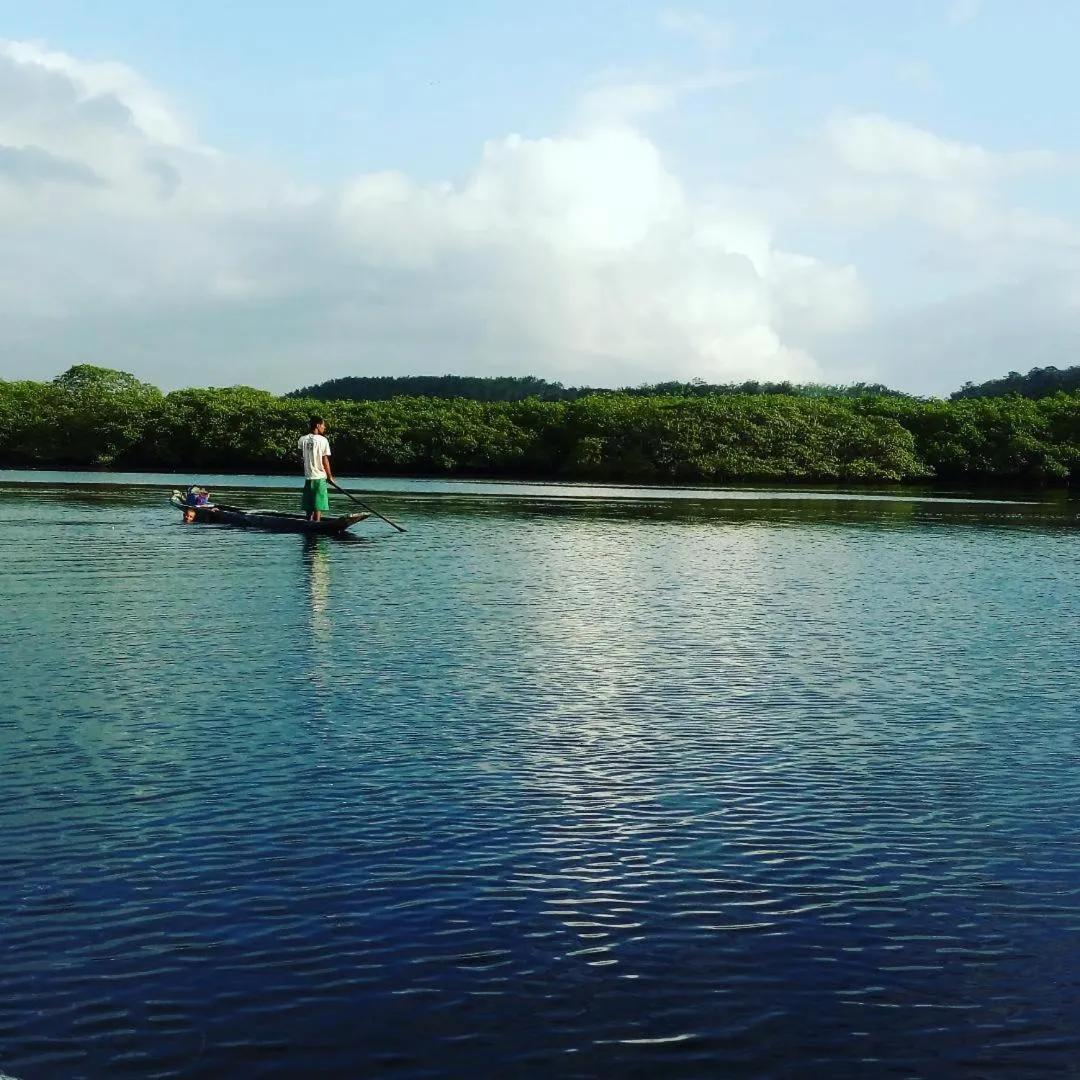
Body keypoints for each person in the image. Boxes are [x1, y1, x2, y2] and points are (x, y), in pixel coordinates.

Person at [297, 416, 334, 521]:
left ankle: (308, 523)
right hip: (319, 477)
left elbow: (302, 455)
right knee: (318, 505)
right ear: (318, 425)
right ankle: (316, 524)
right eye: (323, 425)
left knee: (309, 505)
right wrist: (329, 477)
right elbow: (325, 460)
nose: (324, 427)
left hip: (308, 477)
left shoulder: (302, 439)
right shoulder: (323, 440)